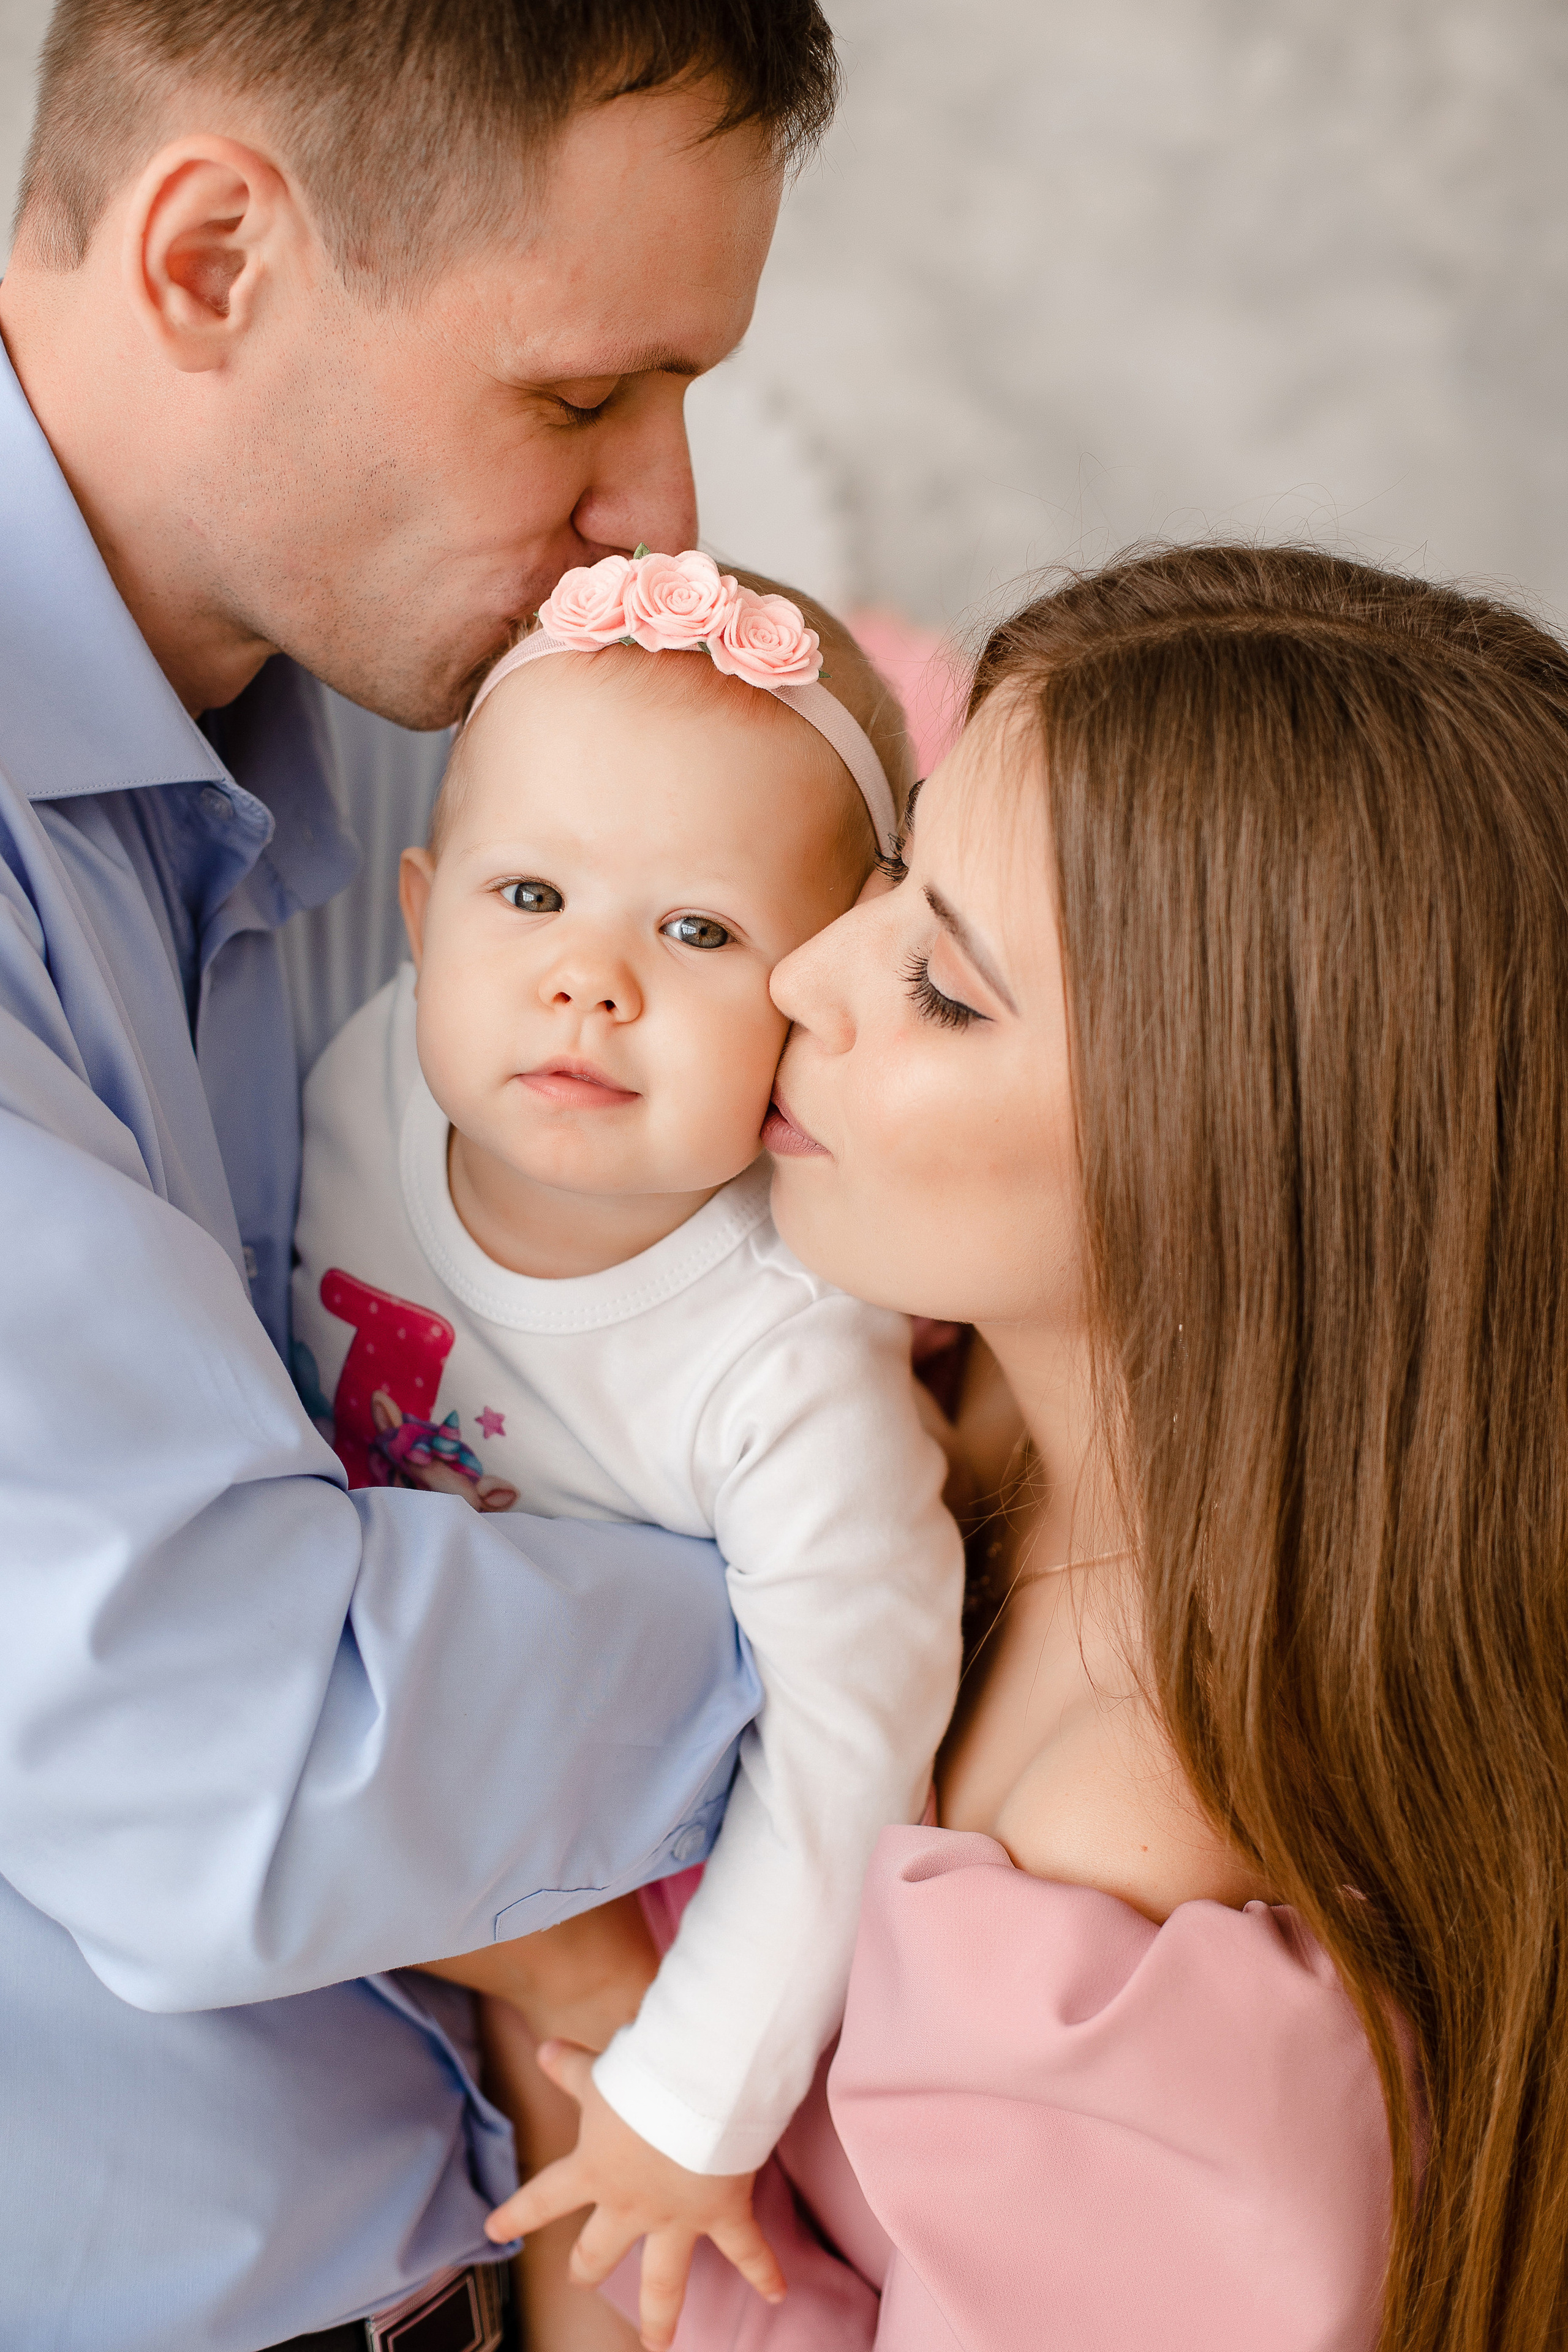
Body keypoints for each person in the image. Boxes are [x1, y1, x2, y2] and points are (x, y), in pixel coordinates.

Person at [0, 5, 843, 2348]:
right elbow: (231, 1748)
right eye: (580, 400)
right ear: (212, 258)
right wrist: (872, 1606)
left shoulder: (441, 740)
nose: (662, 516)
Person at [603, 545, 1568, 2350]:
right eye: (896, 869)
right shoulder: (960, 1375)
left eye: (942, 988)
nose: (805, 970)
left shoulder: (1116, 1890)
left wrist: (585, 2047)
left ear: (1224, 1178)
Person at [292, 549, 964, 2351]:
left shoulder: (786, 1355)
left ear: (813, 1002)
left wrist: (689, 2102)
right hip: (352, 1729)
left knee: (614, 2207)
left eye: (699, 934)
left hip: (653, 1847)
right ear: (424, 917)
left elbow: (852, 1745)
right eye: (531, 896)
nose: (587, 982)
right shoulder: (367, 1075)